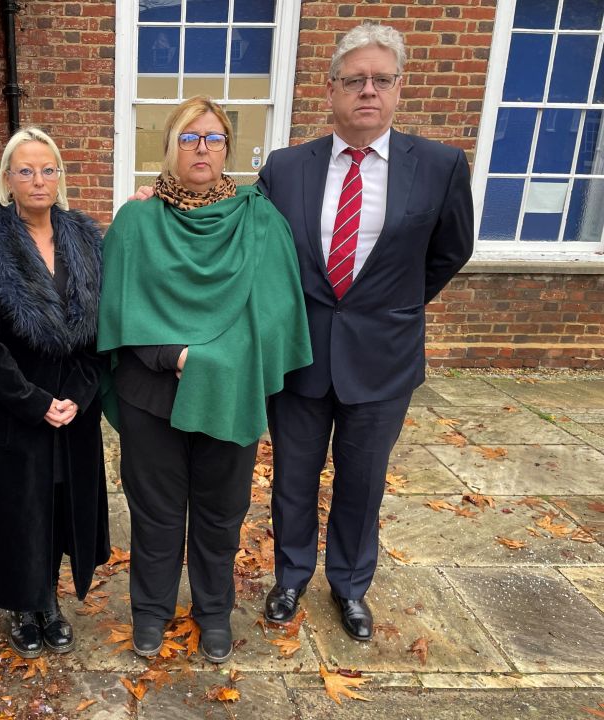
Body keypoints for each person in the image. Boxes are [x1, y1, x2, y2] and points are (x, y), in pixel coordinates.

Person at [258, 23, 474, 641]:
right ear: (331, 91)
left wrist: (393, 305)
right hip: (300, 355)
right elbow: (261, 251)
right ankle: (292, 575)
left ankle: (350, 586)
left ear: (400, 87)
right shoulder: (286, 167)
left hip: (383, 359)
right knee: (293, 479)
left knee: (362, 481)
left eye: (382, 79)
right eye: (355, 80)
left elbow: (450, 250)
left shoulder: (437, 166)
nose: (369, 91)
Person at [99, 96, 312, 664]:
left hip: (230, 389)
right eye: (189, 137)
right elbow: (118, 308)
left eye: (213, 138)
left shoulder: (259, 218)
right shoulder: (138, 219)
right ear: (169, 147)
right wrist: (173, 354)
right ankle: (150, 610)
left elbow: (275, 311)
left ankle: (213, 611)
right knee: (156, 509)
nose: (201, 148)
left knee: (221, 511)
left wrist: (221, 359)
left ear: (228, 149)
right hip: (153, 390)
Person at [0, 128, 109, 659]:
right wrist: (34, 401)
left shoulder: (85, 238)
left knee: (62, 504)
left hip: (73, 404)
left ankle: (50, 602)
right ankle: (24, 603)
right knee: (18, 508)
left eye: (48, 170)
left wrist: (78, 398)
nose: (38, 180)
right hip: (11, 403)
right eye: (25, 170)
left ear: (60, 177)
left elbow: (100, 328)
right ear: (7, 180)